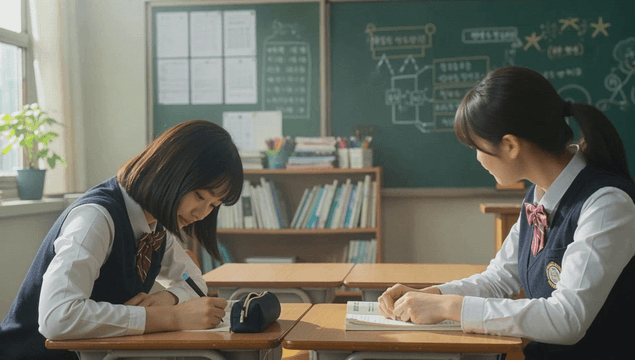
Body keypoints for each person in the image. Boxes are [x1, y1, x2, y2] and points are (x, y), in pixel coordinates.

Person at [378, 66, 635, 359]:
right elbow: (499, 279)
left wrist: (449, 308)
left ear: (511, 145)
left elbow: (568, 318)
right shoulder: (539, 196)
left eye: (478, 147)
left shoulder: (606, 203)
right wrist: (432, 295)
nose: (477, 158)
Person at [0, 120, 244, 360]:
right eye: (199, 196)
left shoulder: (155, 223)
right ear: (169, 173)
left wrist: (166, 299)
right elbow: (57, 317)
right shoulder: (95, 219)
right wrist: (173, 317)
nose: (201, 214)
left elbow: (193, 282)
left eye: (213, 205)